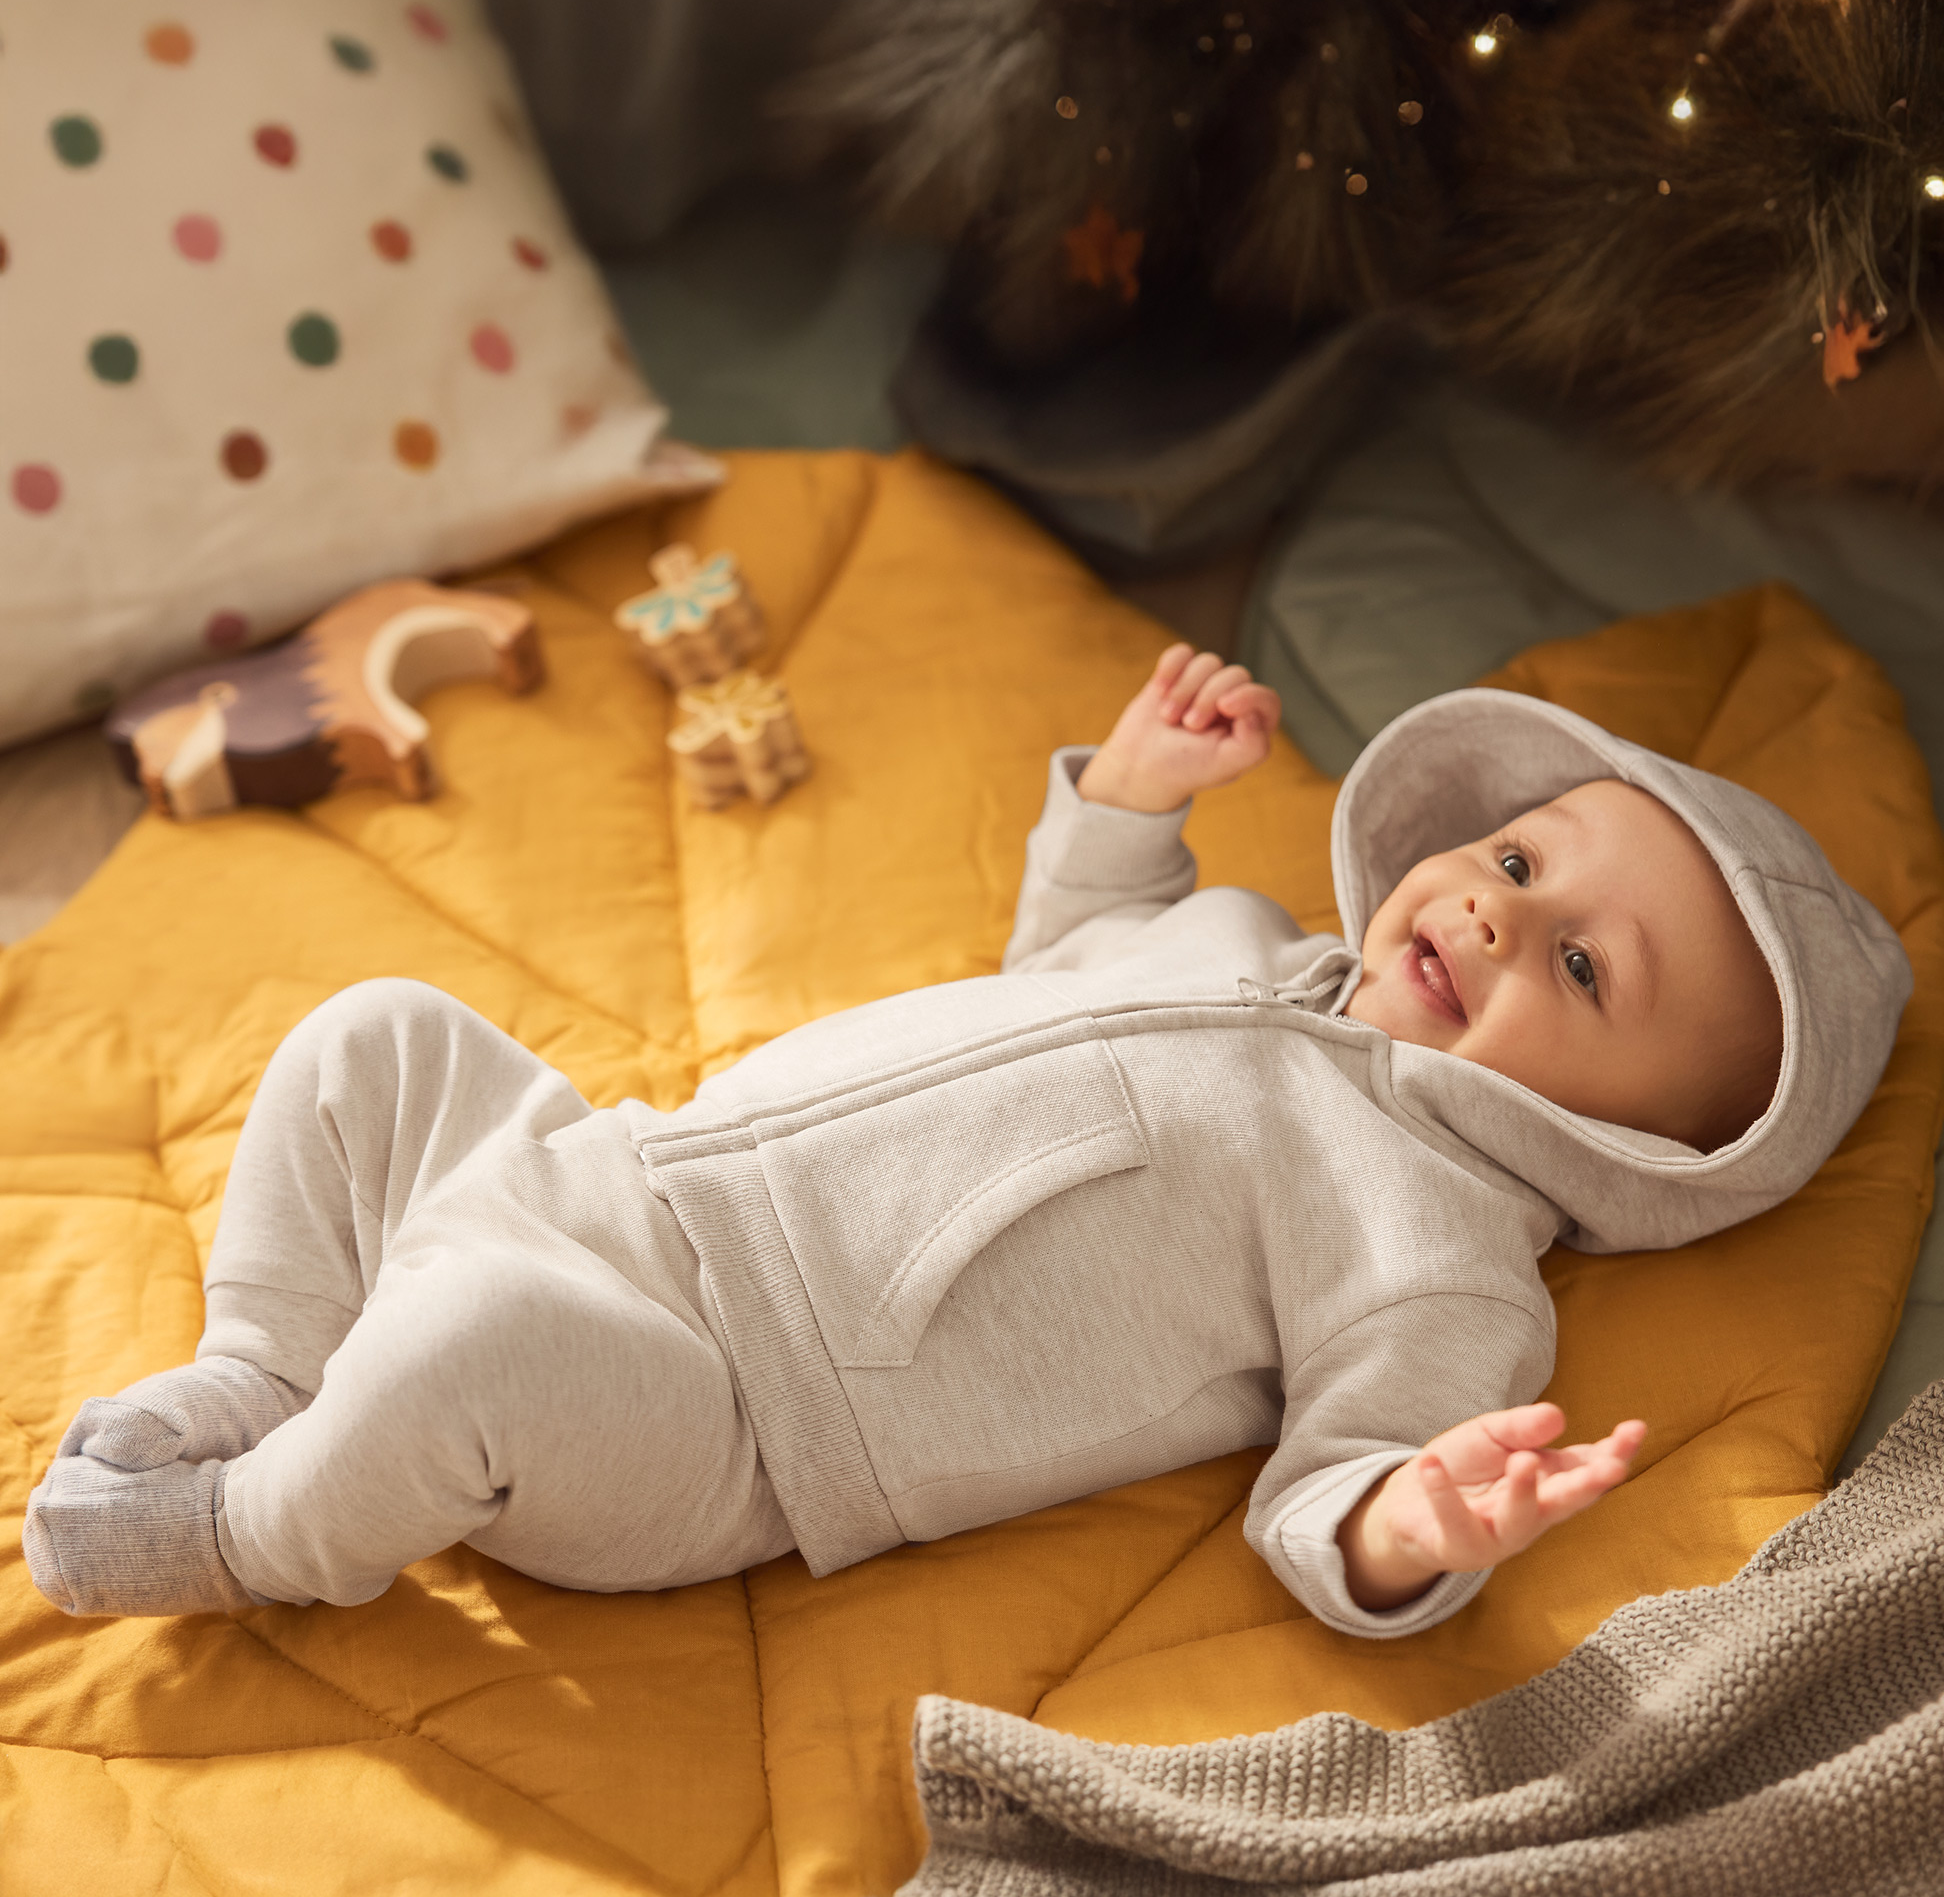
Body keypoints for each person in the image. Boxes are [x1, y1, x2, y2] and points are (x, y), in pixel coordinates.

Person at [24, 645, 1911, 1632]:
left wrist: (1417, 1525)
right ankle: (266, 1369)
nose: (1495, 911)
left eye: (1581, 966)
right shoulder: (1251, 941)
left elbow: (1333, 1487)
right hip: (614, 1171)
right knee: (372, 1039)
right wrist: (1131, 806)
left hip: (721, 1411)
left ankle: (247, 1533)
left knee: (462, 1355)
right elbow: (1061, 966)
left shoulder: (1438, 1249)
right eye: (1514, 859)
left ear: (1635, 1153)